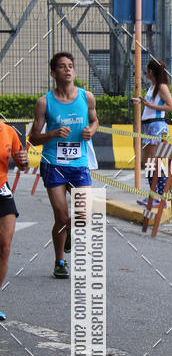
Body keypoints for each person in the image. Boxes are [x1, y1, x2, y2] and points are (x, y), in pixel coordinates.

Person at [29, 52, 98, 278]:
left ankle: (69, 231)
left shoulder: (87, 97)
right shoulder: (44, 102)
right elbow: (33, 138)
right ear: (53, 73)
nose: (67, 69)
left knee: (83, 214)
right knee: (60, 215)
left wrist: (91, 131)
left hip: (79, 164)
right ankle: (60, 261)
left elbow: (95, 120)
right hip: (54, 164)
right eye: (62, 66)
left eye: (70, 66)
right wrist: (53, 133)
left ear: (74, 71)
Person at [132, 59, 172, 206]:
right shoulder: (153, 87)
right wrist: (142, 102)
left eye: (147, 70)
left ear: (151, 71)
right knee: (149, 162)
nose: (145, 72)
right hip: (150, 126)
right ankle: (156, 195)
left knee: (153, 161)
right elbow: (152, 104)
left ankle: (159, 197)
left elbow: (171, 107)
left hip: (157, 126)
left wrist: (150, 105)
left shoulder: (162, 87)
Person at [0, 124, 28, 319]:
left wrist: (23, 160)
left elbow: (22, 164)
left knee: (4, 247)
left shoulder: (8, 131)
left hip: (2, 190)